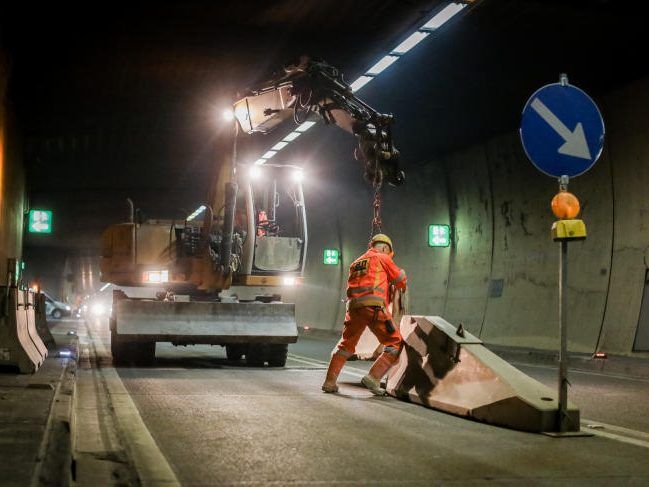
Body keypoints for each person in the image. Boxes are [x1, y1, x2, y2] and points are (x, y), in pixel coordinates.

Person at [322, 233, 407, 395]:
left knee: (345, 345)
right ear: (384, 248)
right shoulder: (382, 258)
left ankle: (329, 382)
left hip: (353, 310)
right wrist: (400, 273)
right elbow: (400, 280)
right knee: (394, 342)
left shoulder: (356, 263)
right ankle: (373, 377)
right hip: (374, 307)